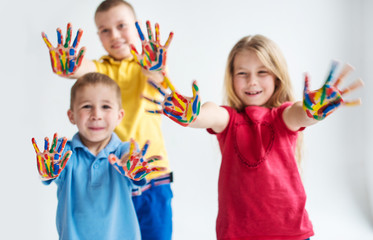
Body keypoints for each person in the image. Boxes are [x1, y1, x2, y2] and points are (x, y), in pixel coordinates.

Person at [145, 35, 363, 240]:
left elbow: (299, 114)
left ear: (277, 77)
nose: (252, 81)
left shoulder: (283, 116)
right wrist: (192, 115)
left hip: (290, 232)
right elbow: (208, 114)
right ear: (231, 78)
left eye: (262, 72)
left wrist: (311, 110)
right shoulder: (228, 119)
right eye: (242, 73)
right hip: (237, 233)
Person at [41, 1, 174, 239]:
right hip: (112, 179)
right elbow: (78, 70)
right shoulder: (102, 69)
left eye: (121, 26)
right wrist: (68, 64)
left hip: (151, 175)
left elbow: (155, 73)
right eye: (104, 30)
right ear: (98, 36)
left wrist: (155, 65)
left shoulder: (147, 66)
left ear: (137, 27)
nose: (114, 35)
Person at [31, 72, 166, 239]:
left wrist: (133, 166)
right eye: (87, 106)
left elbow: (132, 167)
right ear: (71, 115)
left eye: (106, 107)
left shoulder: (125, 151)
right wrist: (48, 168)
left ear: (119, 116)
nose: (96, 114)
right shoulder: (65, 154)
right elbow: (50, 172)